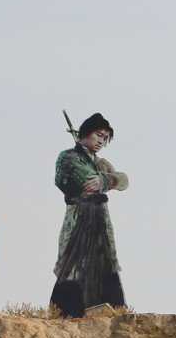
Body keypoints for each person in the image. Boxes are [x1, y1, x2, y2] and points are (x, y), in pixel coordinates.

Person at [51, 113, 130, 317]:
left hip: (100, 218)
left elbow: (124, 180)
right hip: (79, 217)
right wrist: (103, 180)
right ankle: (68, 312)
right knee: (73, 263)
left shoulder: (100, 164)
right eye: (98, 135)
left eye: (104, 138)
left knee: (105, 262)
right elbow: (83, 180)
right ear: (86, 133)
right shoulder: (68, 156)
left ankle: (109, 309)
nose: (101, 141)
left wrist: (104, 180)